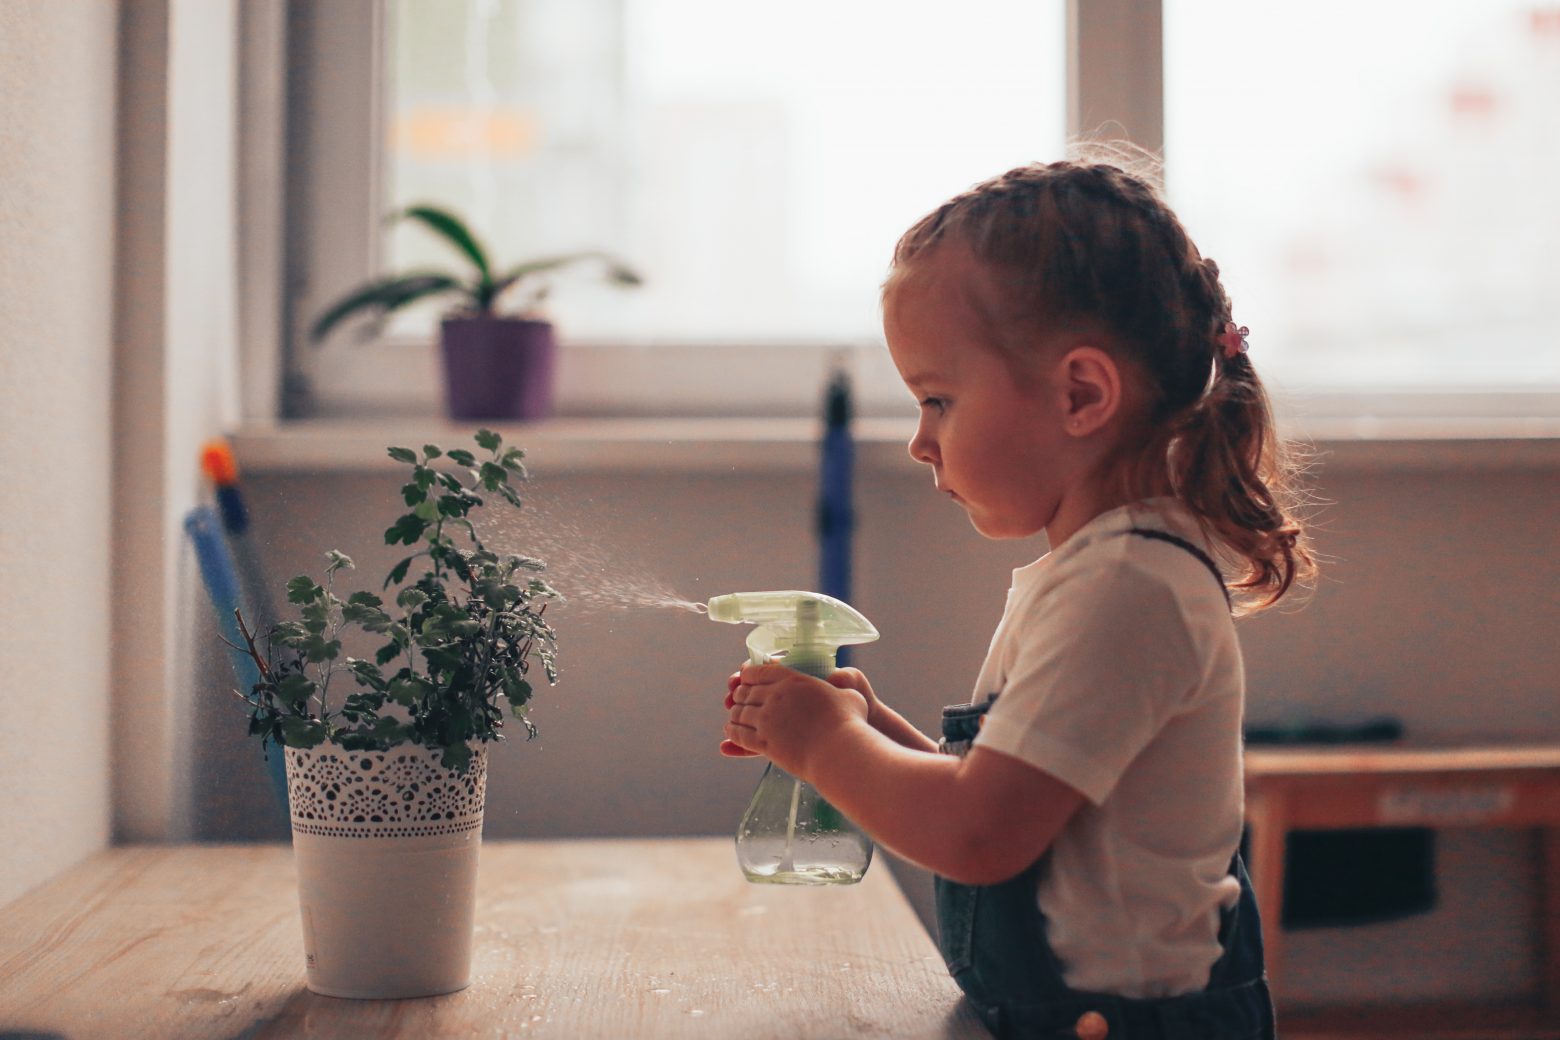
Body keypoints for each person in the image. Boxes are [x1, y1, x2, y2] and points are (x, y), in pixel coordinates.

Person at [720, 153, 1315, 1039]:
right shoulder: (1097, 573)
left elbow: (979, 837)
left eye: (938, 399)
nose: (921, 442)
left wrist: (825, 742)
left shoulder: (1127, 587)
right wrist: (873, 730)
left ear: (1081, 393)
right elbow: (1031, 811)